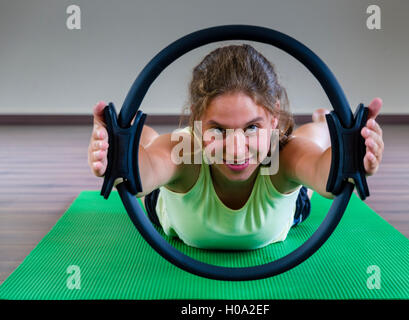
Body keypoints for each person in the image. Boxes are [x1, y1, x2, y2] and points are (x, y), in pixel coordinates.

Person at [88, 44, 384, 250]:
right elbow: (144, 172)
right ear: (197, 120)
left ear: (273, 117)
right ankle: (142, 135)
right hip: (169, 213)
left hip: (286, 199)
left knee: (311, 141)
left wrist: (354, 154)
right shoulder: (186, 153)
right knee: (152, 143)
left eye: (252, 127)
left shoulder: (283, 156)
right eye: (218, 128)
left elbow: (325, 175)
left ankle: (321, 122)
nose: (236, 149)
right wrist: (117, 153)